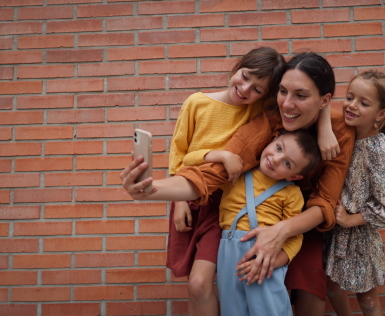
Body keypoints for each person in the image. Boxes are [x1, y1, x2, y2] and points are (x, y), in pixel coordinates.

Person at [121, 52, 355, 315]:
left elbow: (324, 200)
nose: (287, 104)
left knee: (311, 289)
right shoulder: (270, 117)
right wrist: (152, 190)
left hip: (303, 219)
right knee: (242, 288)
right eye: (282, 92)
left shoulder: (342, 131)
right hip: (252, 219)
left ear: (324, 101)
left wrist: (281, 231)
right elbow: (215, 173)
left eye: (301, 96)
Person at [121, 129, 320, 316]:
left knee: (269, 310)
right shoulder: (236, 173)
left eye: (287, 164)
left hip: (265, 258)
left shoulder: (292, 193)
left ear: (294, 176)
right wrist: (222, 156)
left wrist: (274, 262)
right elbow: (189, 161)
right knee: (232, 310)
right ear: (272, 139)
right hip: (228, 251)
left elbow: (294, 236)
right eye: (278, 148)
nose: (276, 159)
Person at [165, 46, 286, 316]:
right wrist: (180, 199)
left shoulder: (255, 112)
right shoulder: (196, 102)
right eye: (244, 76)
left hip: (223, 205)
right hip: (187, 197)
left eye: (257, 89)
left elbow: (299, 97)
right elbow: (179, 153)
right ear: (237, 67)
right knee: (194, 287)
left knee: (200, 281)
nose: (245, 89)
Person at [324, 70, 385, 316]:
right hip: (335, 233)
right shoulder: (347, 136)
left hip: (359, 238)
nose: (352, 105)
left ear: (380, 114)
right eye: (349, 97)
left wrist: (350, 219)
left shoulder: (376, 149)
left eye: (363, 102)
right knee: (331, 288)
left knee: (367, 299)